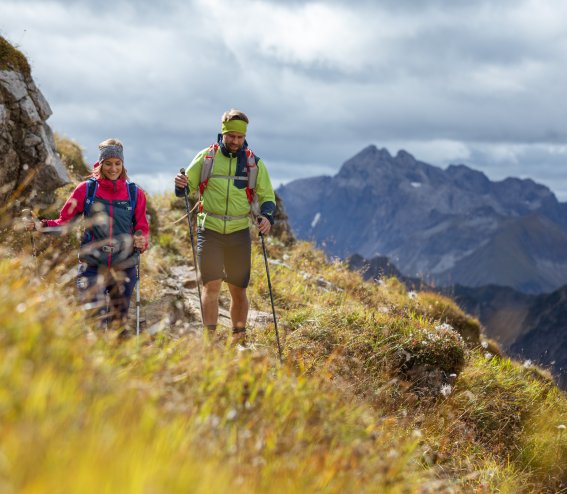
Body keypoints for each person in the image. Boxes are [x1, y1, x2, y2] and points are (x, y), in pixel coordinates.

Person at [25, 138, 149, 332]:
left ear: (123, 164)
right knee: (93, 324)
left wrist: (142, 240)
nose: (113, 168)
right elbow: (63, 223)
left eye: (117, 163)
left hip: (124, 267)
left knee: (119, 324)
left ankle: (117, 360)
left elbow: (142, 227)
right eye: (108, 163)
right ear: (100, 164)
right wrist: (40, 226)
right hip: (92, 267)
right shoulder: (86, 190)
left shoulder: (134, 193)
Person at [174, 109, 276, 342]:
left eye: (239, 137)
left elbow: (267, 196)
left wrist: (267, 216)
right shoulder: (206, 158)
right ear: (223, 133)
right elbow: (184, 188)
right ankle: (209, 343)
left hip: (239, 233)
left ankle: (238, 340)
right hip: (209, 230)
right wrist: (180, 184)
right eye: (231, 136)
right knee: (211, 286)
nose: (235, 141)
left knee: (238, 290)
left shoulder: (253, 163)